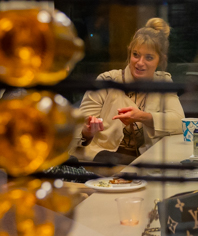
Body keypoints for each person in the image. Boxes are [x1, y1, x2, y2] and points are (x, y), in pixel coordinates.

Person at [77, 18, 185, 164]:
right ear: (129, 54)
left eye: (149, 57)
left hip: (145, 160)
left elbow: (179, 122)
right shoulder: (107, 80)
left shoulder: (163, 82)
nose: (140, 63)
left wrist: (143, 116)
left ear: (160, 60)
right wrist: (87, 132)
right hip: (104, 160)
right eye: (136, 55)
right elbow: (77, 129)